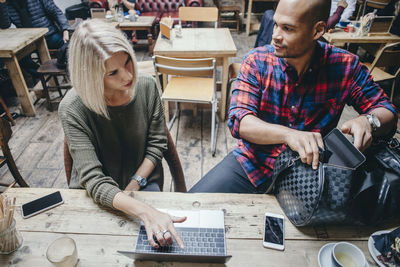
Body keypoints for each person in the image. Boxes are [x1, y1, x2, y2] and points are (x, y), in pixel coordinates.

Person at [190, 0, 397, 194]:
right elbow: (240, 121)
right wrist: (289, 134)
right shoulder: (257, 61)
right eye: (276, 25)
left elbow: (387, 110)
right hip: (253, 165)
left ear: (318, 30)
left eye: (287, 28)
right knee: (190, 207)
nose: (275, 36)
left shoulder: (345, 66)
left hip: (310, 174)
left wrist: (368, 120)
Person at [58, 19, 186, 248]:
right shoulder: (72, 108)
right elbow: (94, 181)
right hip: (92, 195)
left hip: (144, 184)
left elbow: (157, 144)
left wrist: (134, 185)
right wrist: (145, 212)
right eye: (113, 72)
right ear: (91, 76)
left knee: (161, 248)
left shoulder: (147, 86)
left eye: (128, 62)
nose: (128, 76)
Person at [255, 0, 354, 47]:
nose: (275, 36)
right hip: (305, 16)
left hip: (330, 22)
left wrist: (339, 10)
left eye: (287, 28)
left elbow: (347, 11)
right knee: (269, 15)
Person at [0, 0, 70, 49]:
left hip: (49, 35)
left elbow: (56, 12)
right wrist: (2, 3)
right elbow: (5, 25)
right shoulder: (7, 4)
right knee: (18, 58)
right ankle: (38, 70)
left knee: (68, 45)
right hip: (26, 42)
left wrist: (65, 30)